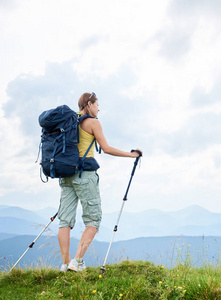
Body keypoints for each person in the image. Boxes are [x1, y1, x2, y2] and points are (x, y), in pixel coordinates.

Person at [57, 92, 142, 272]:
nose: (98, 109)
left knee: (64, 220)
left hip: (65, 175)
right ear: (89, 104)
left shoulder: (68, 122)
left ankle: (65, 264)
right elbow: (106, 148)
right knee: (93, 219)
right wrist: (131, 154)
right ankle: (77, 261)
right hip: (85, 175)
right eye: (97, 105)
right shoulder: (92, 122)